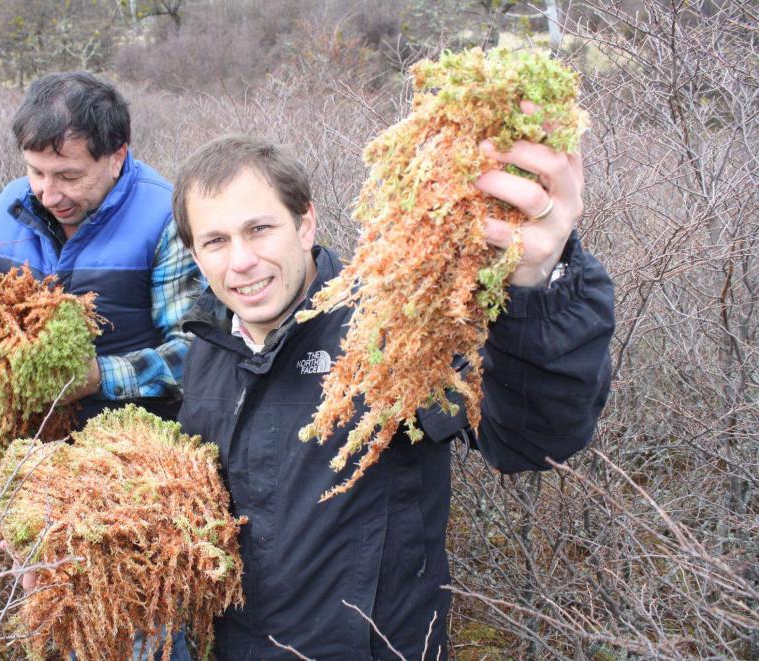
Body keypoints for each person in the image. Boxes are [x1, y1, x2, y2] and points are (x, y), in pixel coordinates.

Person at [170, 132, 614, 659]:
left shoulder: (394, 329)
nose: (240, 261)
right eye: (215, 241)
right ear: (195, 255)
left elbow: (529, 438)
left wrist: (537, 283)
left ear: (305, 223)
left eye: (260, 229)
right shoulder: (207, 348)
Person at [0, 72, 202, 423]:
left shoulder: (169, 220)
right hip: (21, 443)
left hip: (131, 445)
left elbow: (196, 353)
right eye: (36, 172)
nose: (50, 195)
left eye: (70, 177)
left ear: (117, 157)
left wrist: (98, 377)